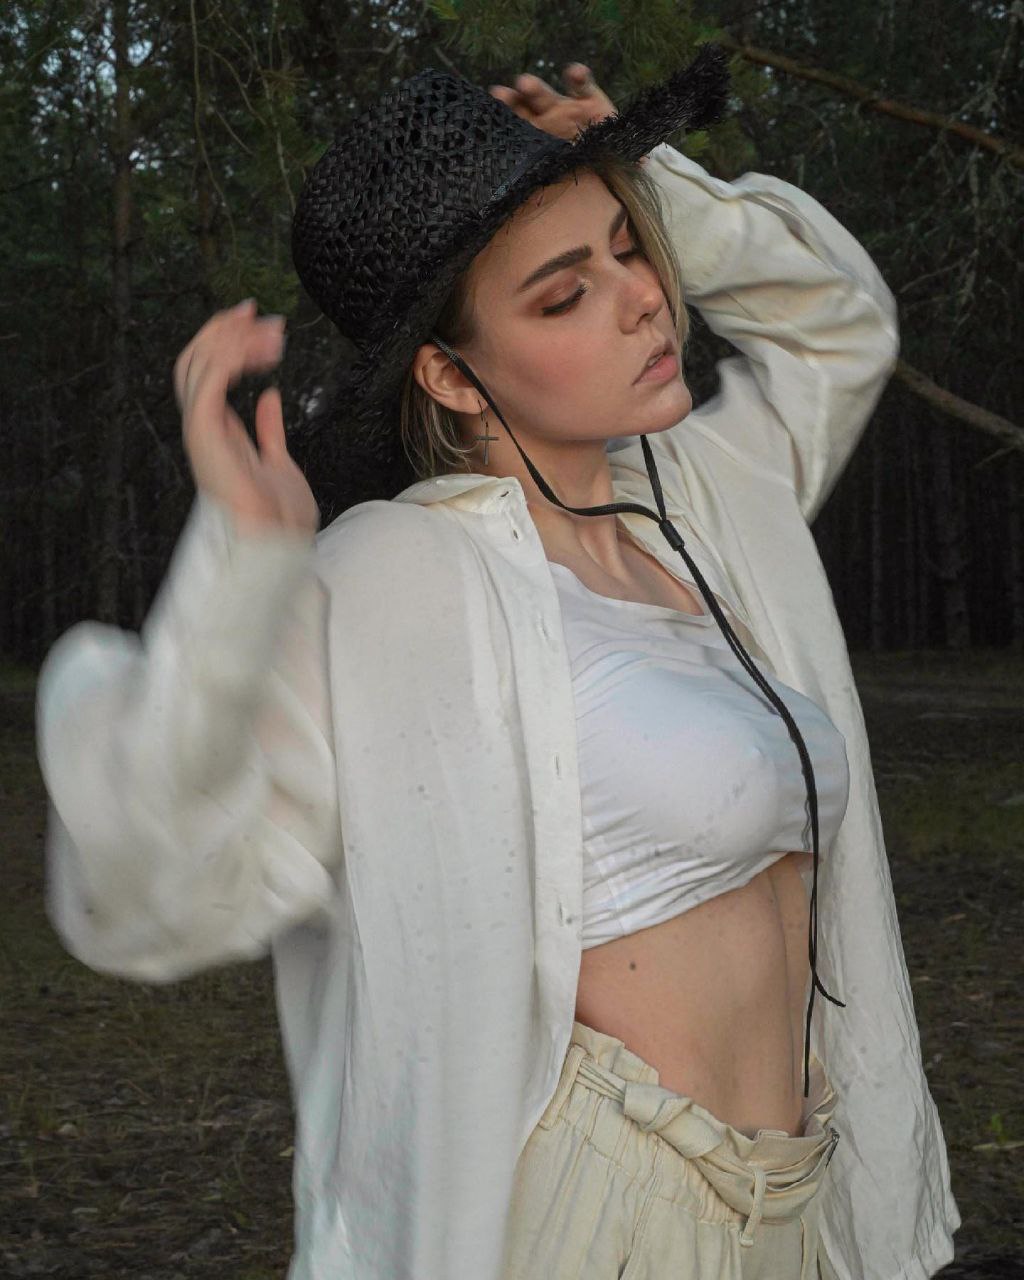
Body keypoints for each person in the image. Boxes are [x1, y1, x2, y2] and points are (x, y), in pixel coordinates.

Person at [35, 46, 960, 1280]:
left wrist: (652, 178)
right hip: (600, 1219)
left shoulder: (706, 502)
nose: (642, 300)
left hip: (795, 1205)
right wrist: (239, 572)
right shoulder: (398, 577)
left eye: (628, 248)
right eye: (563, 293)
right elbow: (150, 884)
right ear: (450, 374)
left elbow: (839, 324)